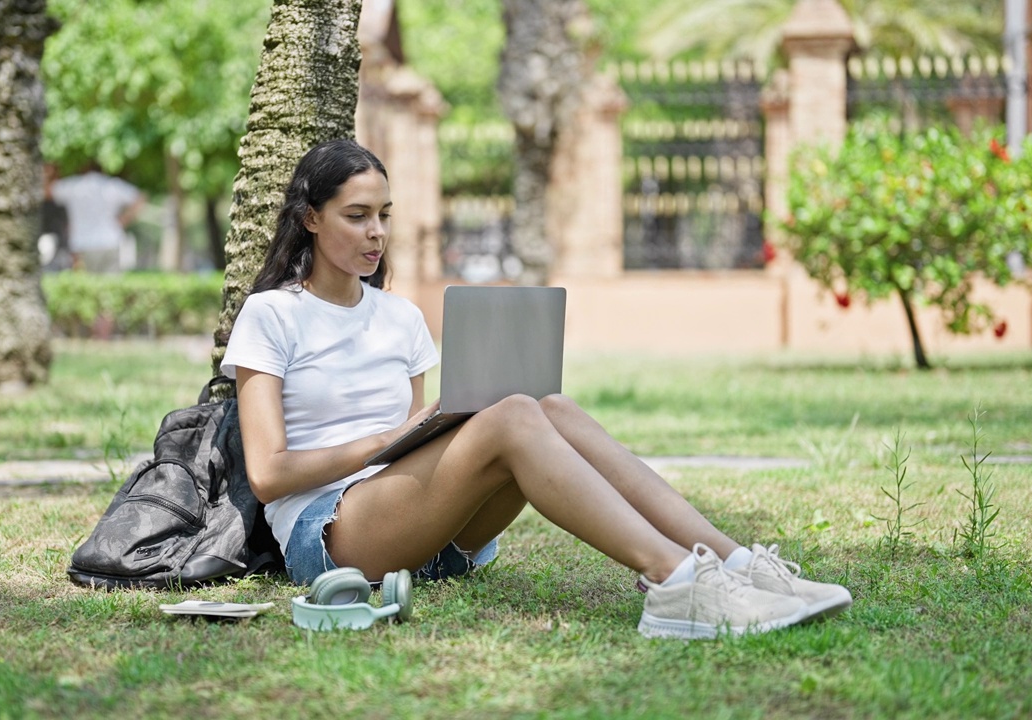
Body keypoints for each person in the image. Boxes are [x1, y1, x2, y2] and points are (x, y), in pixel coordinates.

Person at [220, 139, 852, 640]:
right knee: (518, 414)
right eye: (356, 217)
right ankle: (674, 581)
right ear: (309, 218)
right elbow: (270, 475)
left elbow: (411, 453)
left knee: (544, 404)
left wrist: (429, 428)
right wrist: (380, 442)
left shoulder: (401, 317)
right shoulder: (274, 315)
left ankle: (739, 565)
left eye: (383, 215)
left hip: (425, 537)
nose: (376, 233)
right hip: (329, 537)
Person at [46, 163, 145, 273]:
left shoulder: (74, 185)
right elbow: (140, 198)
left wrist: (52, 172)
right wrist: (124, 219)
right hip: (110, 241)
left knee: (85, 286)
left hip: (82, 244)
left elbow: (47, 191)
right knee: (110, 285)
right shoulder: (112, 185)